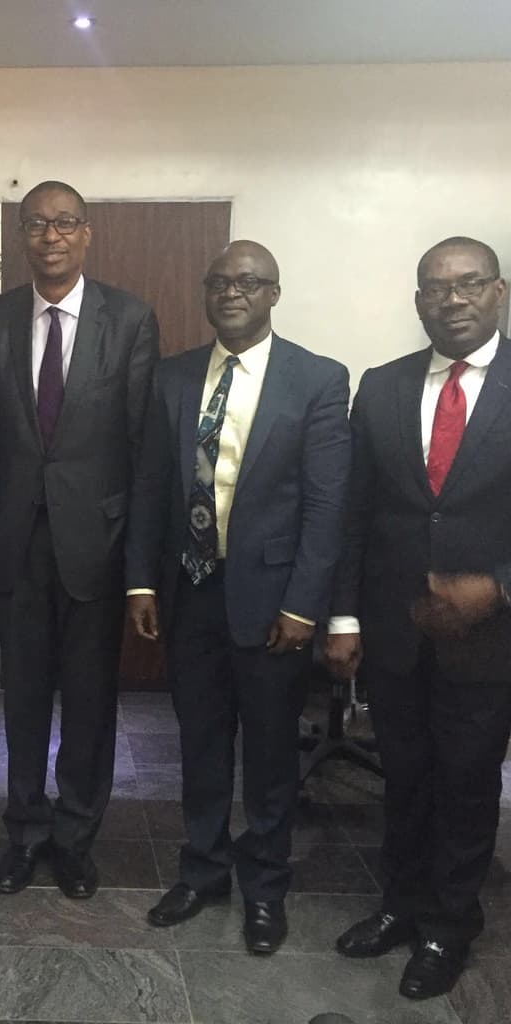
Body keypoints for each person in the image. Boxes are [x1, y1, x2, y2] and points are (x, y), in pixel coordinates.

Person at [126, 241, 350, 954]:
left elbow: (325, 504)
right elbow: (151, 488)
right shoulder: (173, 377)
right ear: (205, 292)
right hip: (190, 592)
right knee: (200, 742)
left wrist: (303, 605)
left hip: (274, 600)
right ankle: (202, 869)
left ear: (274, 294)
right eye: (220, 282)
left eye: (248, 283)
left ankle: (265, 888)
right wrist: (141, 579)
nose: (232, 293)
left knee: (271, 754)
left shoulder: (315, 379)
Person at [328, 237, 511, 1000]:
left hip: (489, 637)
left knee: (467, 783)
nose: (454, 299)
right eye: (436, 288)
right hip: (397, 628)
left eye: (470, 284)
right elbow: (355, 510)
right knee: (402, 777)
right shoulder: (383, 385)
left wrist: (497, 587)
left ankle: (447, 925)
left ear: (499, 292)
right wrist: (343, 616)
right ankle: (400, 906)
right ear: (417, 302)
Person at [0, 180, 159, 899]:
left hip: (97, 544)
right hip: (17, 537)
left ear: (87, 234)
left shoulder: (131, 319)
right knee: (20, 700)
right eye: (37, 224)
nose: (51, 236)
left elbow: (141, 447)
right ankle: (24, 832)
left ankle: (76, 838)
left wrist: (139, 563)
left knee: (88, 702)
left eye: (65, 223)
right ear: (22, 237)